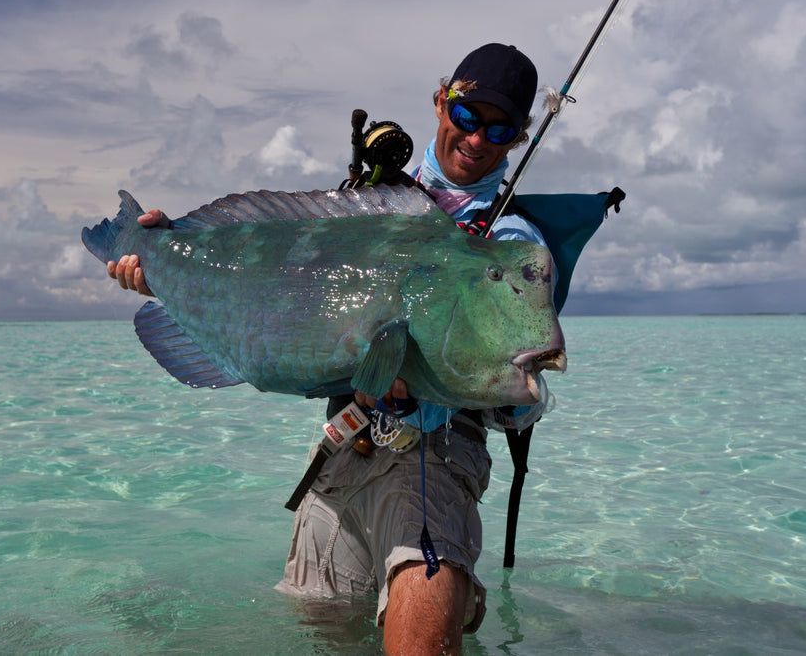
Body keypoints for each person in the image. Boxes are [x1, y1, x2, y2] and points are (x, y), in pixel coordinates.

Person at [108, 43, 552, 655]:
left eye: (499, 129)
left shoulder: (507, 241)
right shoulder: (371, 199)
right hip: (342, 453)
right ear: (442, 102)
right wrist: (165, 246)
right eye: (468, 116)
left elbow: (523, 396)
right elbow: (277, 264)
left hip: (437, 463)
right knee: (319, 641)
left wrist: (513, 401)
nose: (477, 140)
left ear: (517, 138)